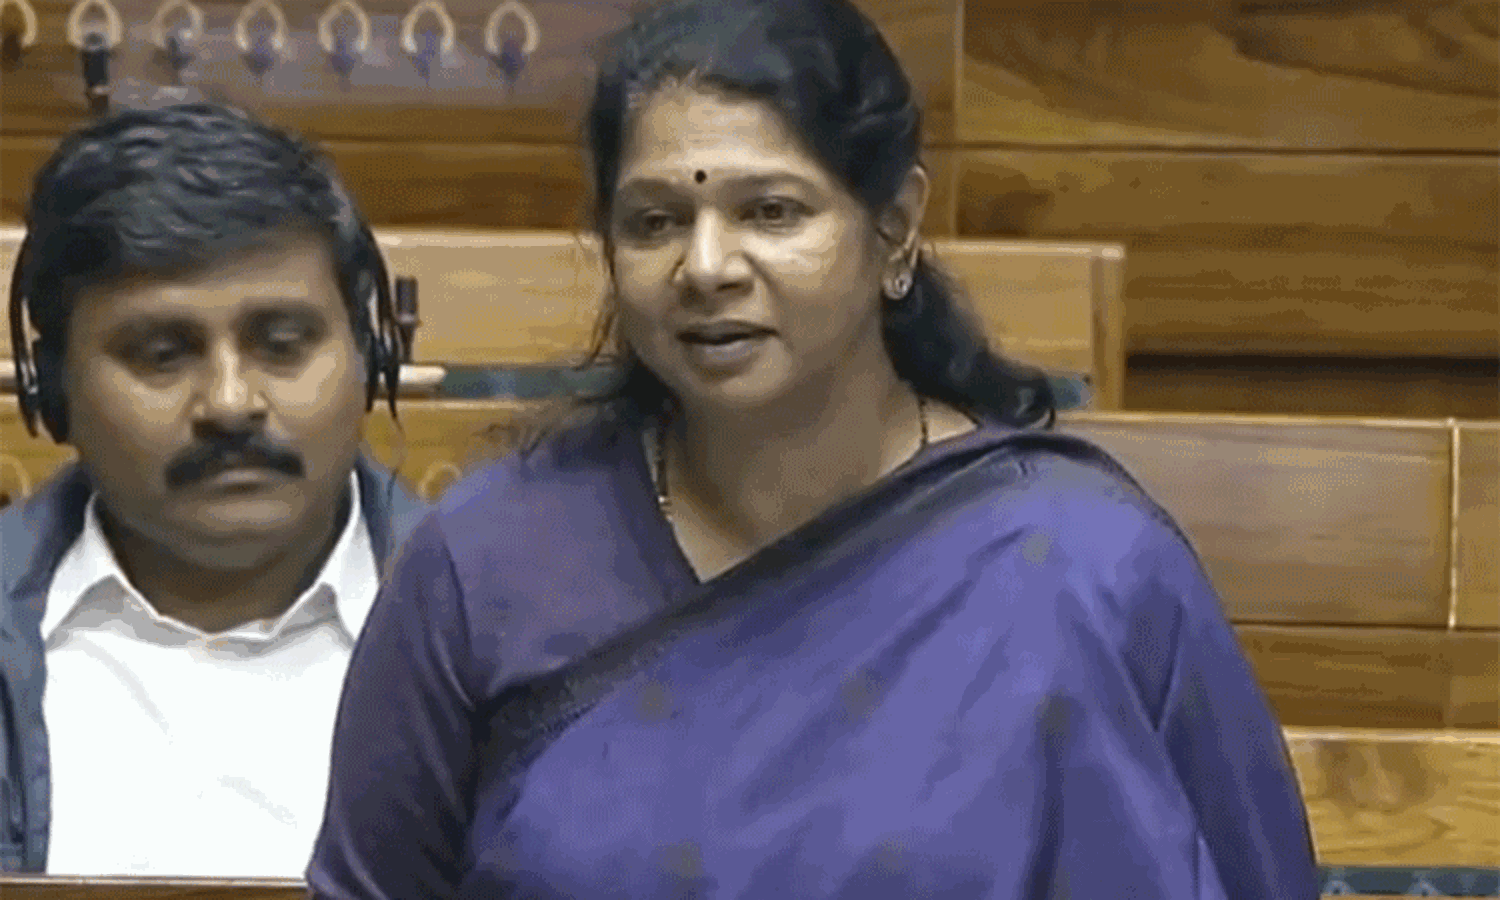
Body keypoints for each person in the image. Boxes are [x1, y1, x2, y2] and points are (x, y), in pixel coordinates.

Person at [307, 0, 1321, 896]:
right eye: (656, 221)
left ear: (895, 228)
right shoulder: (487, 568)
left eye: (771, 212)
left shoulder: (1085, 570)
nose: (706, 266)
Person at [0, 103, 428, 876]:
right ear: (54, 392)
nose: (230, 403)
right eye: (162, 354)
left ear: (371, 357)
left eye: (282, 344)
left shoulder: (517, 626)